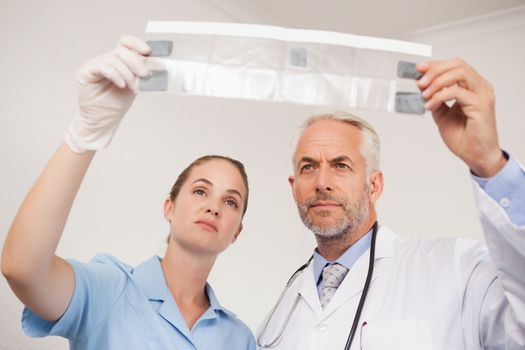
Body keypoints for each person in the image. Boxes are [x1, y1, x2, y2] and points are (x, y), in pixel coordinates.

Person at [1, 37, 255, 349]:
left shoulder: (239, 338)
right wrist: (85, 134)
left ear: (237, 232)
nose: (214, 207)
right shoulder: (109, 289)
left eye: (230, 201)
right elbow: (22, 269)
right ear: (169, 207)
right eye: (201, 191)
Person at [256, 59, 525, 349]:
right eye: (308, 167)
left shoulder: (458, 269)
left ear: (374, 185)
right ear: (294, 189)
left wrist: (490, 164)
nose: (322, 182)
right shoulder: (278, 315)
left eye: (341, 165)